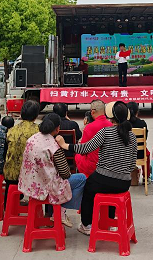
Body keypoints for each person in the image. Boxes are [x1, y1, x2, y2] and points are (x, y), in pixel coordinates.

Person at [57, 100, 137, 236]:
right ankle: (110, 221)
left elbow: (85, 148)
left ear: (110, 115)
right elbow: (132, 163)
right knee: (111, 191)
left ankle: (86, 224)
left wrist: (65, 145)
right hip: (124, 183)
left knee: (88, 188)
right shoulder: (132, 136)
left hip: (103, 179)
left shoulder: (106, 132)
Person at [18, 113, 87, 228]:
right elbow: (65, 173)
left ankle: (58, 212)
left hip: (29, 184)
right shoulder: (53, 145)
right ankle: (61, 211)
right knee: (82, 178)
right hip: (47, 187)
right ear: (57, 128)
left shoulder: (32, 139)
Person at [3, 100, 40, 199]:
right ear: (36, 115)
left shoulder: (11, 130)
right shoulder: (39, 131)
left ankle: (8, 205)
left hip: (11, 175)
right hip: (32, 176)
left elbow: (5, 153)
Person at [74, 100, 112, 177]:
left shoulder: (89, 127)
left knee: (78, 155)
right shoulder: (111, 125)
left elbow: (83, 151)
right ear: (104, 112)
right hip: (109, 165)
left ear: (92, 112)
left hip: (93, 167)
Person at [127, 101, 149, 184]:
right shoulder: (142, 123)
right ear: (137, 112)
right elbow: (145, 139)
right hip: (139, 153)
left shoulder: (123, 124)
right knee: (146, 153)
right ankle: (146, 177)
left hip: (125, 153)